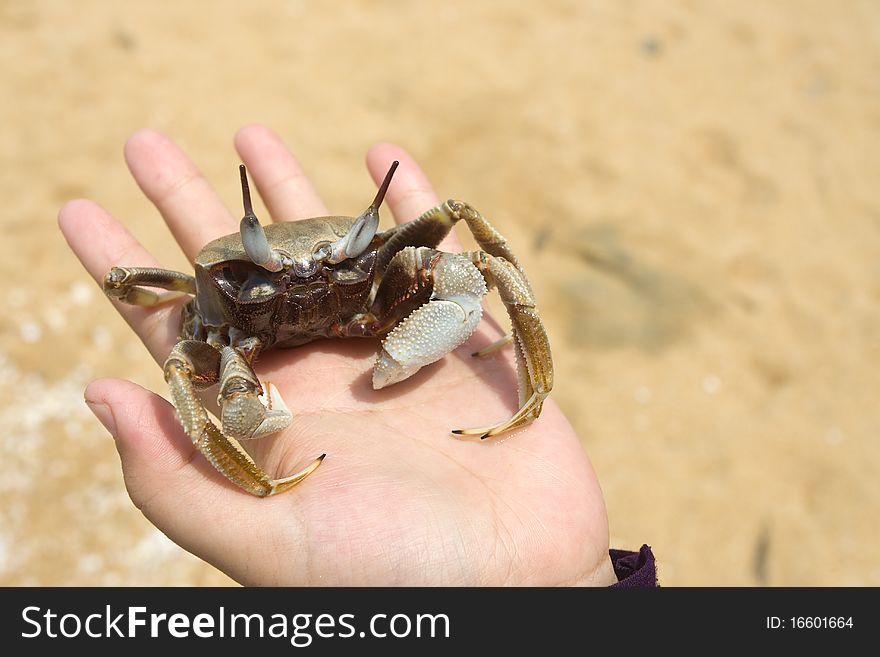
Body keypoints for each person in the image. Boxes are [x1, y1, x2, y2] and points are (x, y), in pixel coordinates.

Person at [58, 125, 654, 587]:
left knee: (479, 268)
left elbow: (476, 274)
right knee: (182, 374)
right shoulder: (214, 307)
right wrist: (256, 478)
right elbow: (151, 322)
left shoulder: (383, 270)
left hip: (367, 302)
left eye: (337, 264)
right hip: (243, 335)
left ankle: (534, 388)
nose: (312, 281)